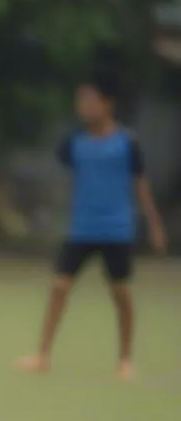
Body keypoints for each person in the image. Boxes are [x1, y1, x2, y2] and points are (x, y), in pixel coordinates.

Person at [16, 71, 167, 379]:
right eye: (80, 100)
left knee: (121, 293)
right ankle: (42, 355)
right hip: (81, 228)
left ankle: (125, 359)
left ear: (107, 103)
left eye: (89, 100)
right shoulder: (74, 143)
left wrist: (154, 224)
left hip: (116, 228)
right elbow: (71, 181)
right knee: (60, 286)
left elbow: (140, 185)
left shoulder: (127, 143)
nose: (82, 106)